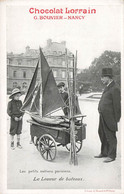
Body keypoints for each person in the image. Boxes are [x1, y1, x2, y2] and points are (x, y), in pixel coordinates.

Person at [95, 68, 121, 162]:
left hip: (110, 118)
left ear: (108, 78)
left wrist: (116, 119)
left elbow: (117, 106)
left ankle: (112, 156)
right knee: (102, 133)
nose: (101, 79)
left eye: (103, 77)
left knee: (110, 136)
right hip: (103, 115)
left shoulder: (115, 88)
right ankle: (104, 152)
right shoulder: (108, 87)